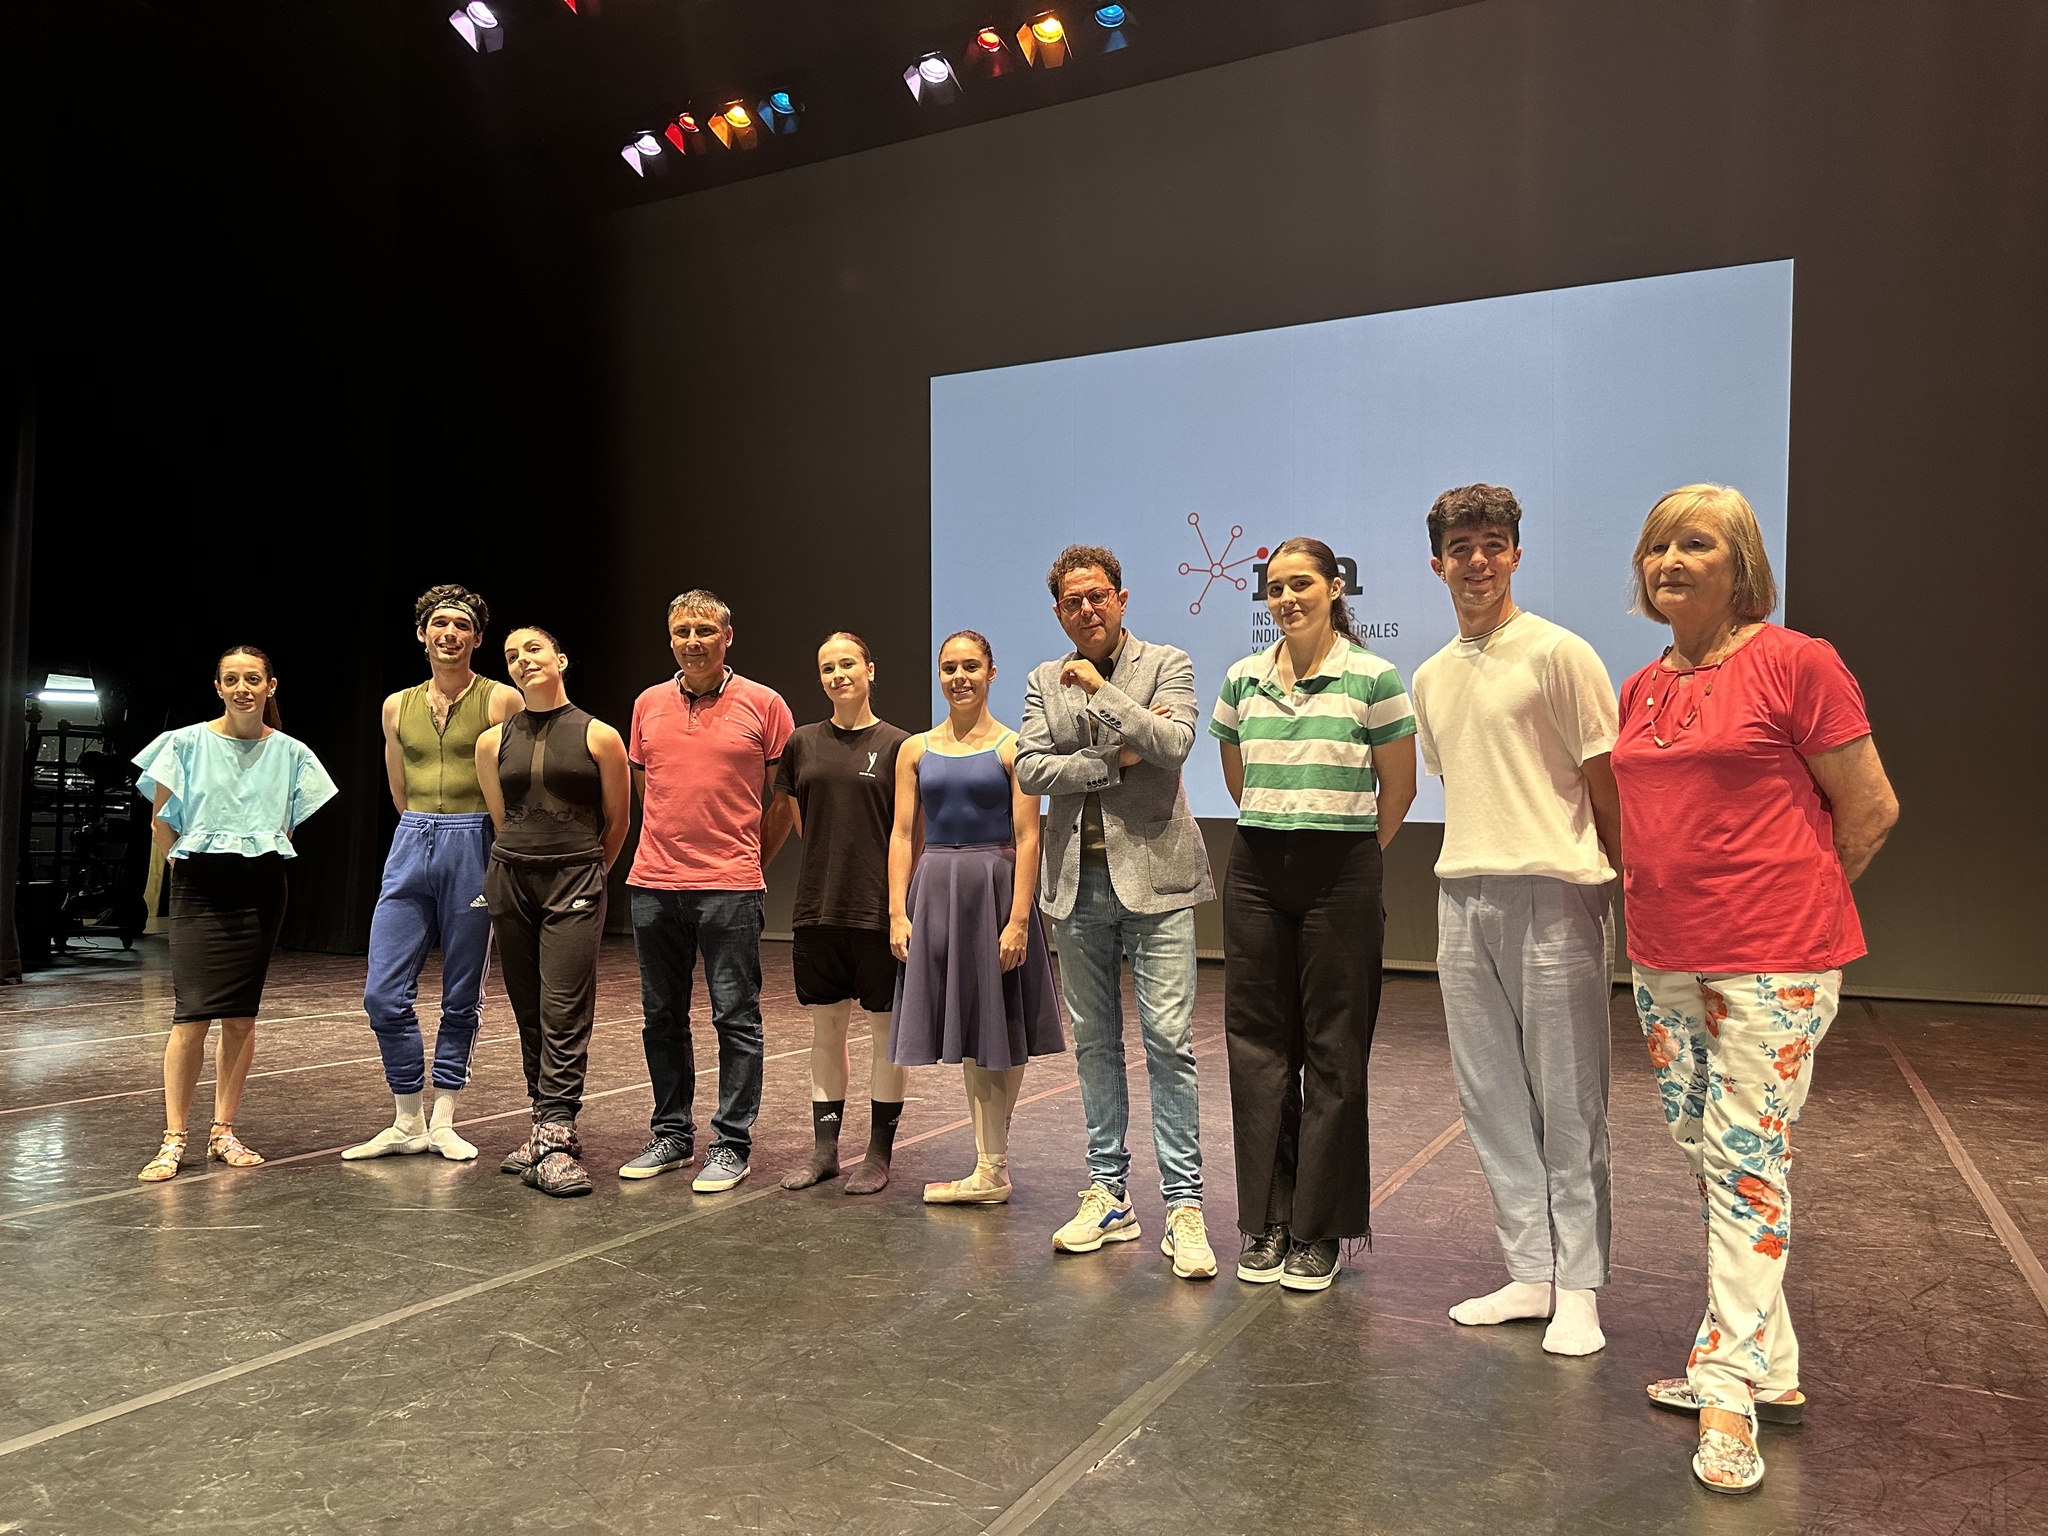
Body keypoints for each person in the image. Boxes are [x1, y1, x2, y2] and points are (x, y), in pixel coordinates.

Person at [1611, 484, 1897, 1493]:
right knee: (1709, 1154)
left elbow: (1866, 808)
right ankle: (1768, 1361)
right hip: (1661, 958)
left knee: (1741, 1158)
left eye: (1695, 544)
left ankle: (1725, 1383)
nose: (1669, 562)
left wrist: (1790, 916)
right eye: (1656, 547)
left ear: (1740, 566)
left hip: (1770, 961)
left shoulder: (1795, 663)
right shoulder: (1639, 687)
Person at [1410, 486, 1622, 1355]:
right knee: (1491, 1096)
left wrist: (1622, 888)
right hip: (1464, 894)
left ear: (1517, 555)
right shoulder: (1428, 676)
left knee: (1569, 1099)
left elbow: (1605, 783)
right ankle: (1530, 1272)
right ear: (1438, 564)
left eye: (1493, 544)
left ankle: (1581, 1288)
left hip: (1555, 894)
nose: (1477, 561)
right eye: (1461, 547)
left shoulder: (1561, 654)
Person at [1211, 537, 1416, 1292]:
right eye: (1274, 587)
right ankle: (1266, 1220)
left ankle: (1318, 1229)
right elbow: (1239, 780)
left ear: (1335, 589)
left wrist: (1347, 851)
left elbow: (1400, 790)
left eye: (1302, 584)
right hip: (1259, 868)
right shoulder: (1241, 679)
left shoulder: (1373, 676)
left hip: (1343, 872)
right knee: (1258, 1048)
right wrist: (1287, 827)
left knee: (1334, 1051)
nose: (1287, 598)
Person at [1017, 545, 1218, 1280]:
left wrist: (1103, 695)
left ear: (1122, 599)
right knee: (1096, 1045)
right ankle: (1108, 1192)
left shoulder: (1167, 663)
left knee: (1169, 1044)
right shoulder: (1043, 678)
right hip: (1075, 886)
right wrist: (1114, 760)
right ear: (1059, 611)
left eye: (1098, 596)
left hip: (1158, 884)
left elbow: (1174, 743)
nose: (1087, 610)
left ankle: (1184, 1206)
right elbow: (1030, 767)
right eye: (1073, 602)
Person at [134, 646, 338, 1181]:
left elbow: (286, 825)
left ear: (271, 687)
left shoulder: (292, 752)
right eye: (232, 679)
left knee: (241, 1015)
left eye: (253, 678)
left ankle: (223, 1131)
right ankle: (173, 1138)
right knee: (191, 1014)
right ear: (218, 686)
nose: (243, 687)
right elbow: (161, 824)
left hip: (260, 887)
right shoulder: (183, 743)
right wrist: (187, 873)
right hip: (200, 884)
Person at [621, 591, 796, 1193]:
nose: (691, 641)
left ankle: (731, 1143)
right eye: (680, 631)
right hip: (653, 885)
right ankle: (671, 1134)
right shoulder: (647, 704)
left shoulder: (765, 704)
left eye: (702, 629)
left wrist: (747, 859)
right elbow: (649, 790)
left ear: (727, 636)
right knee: (661, 1017)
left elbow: (783, 799)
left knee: (735, 1018)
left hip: (730, 888)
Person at [345, 585, 521, 1164]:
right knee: (382, 993)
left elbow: (512, 786)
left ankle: (443, 1116)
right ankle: (406, 1118)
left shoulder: (502, 701)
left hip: (475, 840)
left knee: (461, 992)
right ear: (422, 634)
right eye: (439, 623)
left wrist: (485, 843)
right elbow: (398, 788)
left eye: (461, 626)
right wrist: (425, 831)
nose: (449, 633)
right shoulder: (396, 704)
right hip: (413, 837)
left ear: (476, 638)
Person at [889, 630, 1064, 1205]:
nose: (958, 677)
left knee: (999, 1022)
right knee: (968, 1026)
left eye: (970, 666)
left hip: (995, 891)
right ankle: (990, 1165)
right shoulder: (914, 749)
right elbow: (903, 833)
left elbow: (1028, 835)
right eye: (948, 668)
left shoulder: (1015, 748)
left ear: (991, 673)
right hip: (937, 890)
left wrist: (1017, 920)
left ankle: (992, 1164)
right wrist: (896, 910)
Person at [476, 627, 631, 1197]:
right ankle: (542, 1126)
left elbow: (617, 821)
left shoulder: (600, 735)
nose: (522, 660)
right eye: (512, 655)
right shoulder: (491, 742)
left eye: (533, 650)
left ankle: (559, 1134)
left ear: (561, 658)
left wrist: (589, 874)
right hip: (511, 878)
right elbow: (501, 820)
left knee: (564, 1006)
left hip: (576, 878)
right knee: (528, 1008)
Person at [771, 633, 913, 1195]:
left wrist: (896, 901)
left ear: (870, 669)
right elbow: (803, 818)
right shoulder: (801, 743)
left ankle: (878, 1154)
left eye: (847, 663)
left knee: (886, 1036)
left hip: (879, 913)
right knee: (826, 1032)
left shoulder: (902, 745)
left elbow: (909, 832)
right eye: (827, 667)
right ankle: (825, 1151)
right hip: (817, 911)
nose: (838, 675)